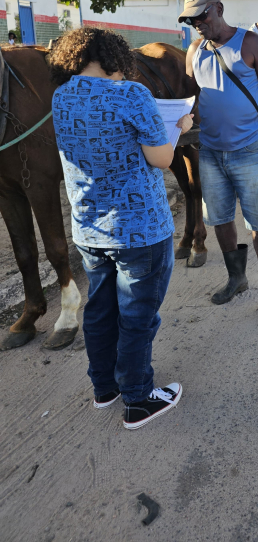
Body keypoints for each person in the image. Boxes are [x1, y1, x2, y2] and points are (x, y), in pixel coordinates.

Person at [49, 28, 193, 430]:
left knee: (100, 311)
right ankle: (138, 397)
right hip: (140, 229)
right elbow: (162, 158)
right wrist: (179, 125)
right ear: (113, 57)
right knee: (138, 315)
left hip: (89, 230)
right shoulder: (132, 94)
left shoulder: (61, 96)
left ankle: (104, 388)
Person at [181, 0, 258, 325]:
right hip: (211, 153)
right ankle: (236, 278)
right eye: (190, 19)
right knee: (219, 219)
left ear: (218, 8)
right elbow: (192, 98)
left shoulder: (250, 42)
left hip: (248, 152)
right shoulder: (194, 50)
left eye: (201, 15)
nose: (197, 23)